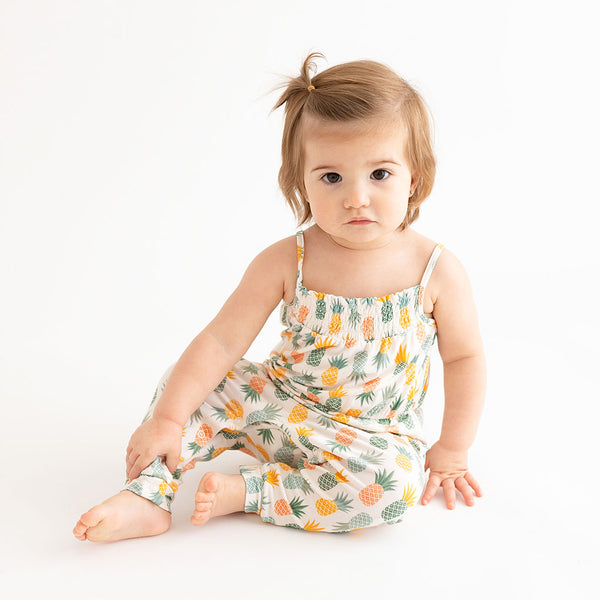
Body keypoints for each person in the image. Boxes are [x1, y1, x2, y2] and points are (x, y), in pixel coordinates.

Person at [73, 51, 486, 542]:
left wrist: (453, 448)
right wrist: (168, 418)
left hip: (367, 440)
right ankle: (147, 495)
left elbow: (464, 357)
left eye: (380, 174)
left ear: (414, 177)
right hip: (277, 407)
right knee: (192, 386)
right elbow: (222, 343)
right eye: (332, 177)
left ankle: (250, 493)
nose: (356, 197)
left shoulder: (436, 271)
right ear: (302, 184)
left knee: (395, 486)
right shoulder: (287, 259)